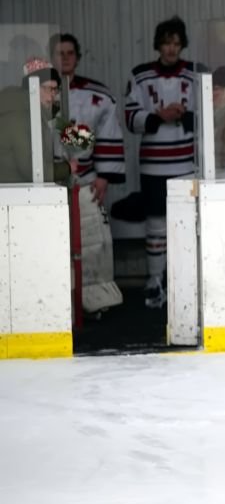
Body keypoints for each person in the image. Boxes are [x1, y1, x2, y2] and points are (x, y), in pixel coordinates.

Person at [124, 16, 200, 309]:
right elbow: (130, 116)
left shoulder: (196, 73)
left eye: (176, 43)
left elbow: (210, 112)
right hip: (153, 164)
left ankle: (184, 281)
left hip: (186, 164)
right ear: (158, 45)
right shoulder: (140, 75)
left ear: (182, 45)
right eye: (166, 43)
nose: (171, 49)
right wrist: (157, 117)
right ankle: (155, 280)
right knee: (155, 224)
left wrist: (184, 115)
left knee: (186, 223)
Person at [50, 33, 125, 315]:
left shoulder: (99, 95)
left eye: (70, 53)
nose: (65, 58)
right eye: (60, 53)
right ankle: (60, 305)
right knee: (54, 242)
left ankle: (96, 303)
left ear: (78, 57)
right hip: (49, 183)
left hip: (86, 181)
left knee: (94, 242)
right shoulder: (40, 93)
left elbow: (107, 135)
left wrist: (104, 176)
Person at [0, 58, 63, 183]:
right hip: (14, 193)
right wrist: (67, 168)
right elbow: (34, 172)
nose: (52, 95)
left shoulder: (31, 115)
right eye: (48, 88)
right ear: (32, 88)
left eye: (55, 90)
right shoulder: (18, 118)